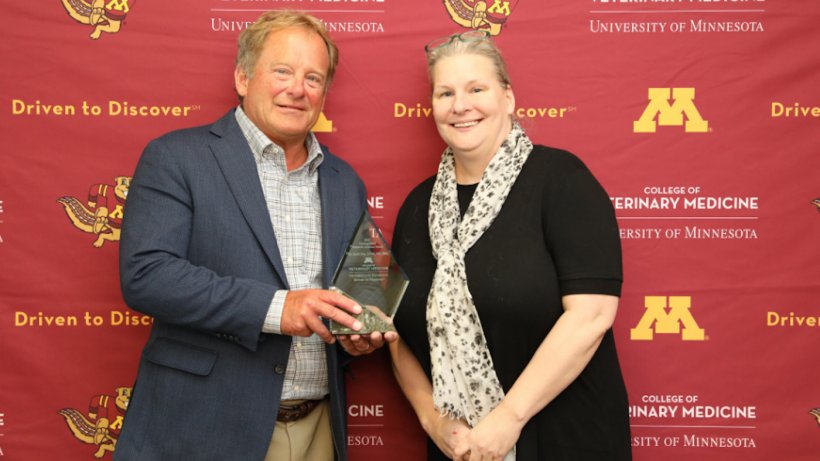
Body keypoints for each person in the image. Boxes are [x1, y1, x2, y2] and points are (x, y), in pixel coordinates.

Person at [115, 10, 394, 461]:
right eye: (282, 71)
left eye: (313, 78)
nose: (297, 89)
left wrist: (359, 335)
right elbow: (147, 275)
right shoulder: (176, 157)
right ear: (243, 78)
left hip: (319, 429)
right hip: (202, 429)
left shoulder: (345, 181)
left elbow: (364, 290)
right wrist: (277, 307)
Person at [389, 30, 632, 461]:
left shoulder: (561, 181)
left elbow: (591, 316)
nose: (460, 105)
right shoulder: (416, 208)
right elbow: (394, 334)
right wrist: (433, 421)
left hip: (567, 440)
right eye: (445, 93)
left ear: (508, 99)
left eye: (476, 88)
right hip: (459, 450)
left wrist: (508, 418)